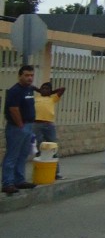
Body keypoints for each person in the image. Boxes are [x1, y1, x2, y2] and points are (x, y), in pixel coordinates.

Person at [4, 65, 37, 195]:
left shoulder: (29, 90)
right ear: (20, 76)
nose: (29, 78)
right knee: (12, 155)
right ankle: (7, 183)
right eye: (27, 75)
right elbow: (13, 109)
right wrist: (20, 125)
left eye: (31, 75)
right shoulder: (15, 90)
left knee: (23, 155)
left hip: (28, 125)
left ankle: (19, 180)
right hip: (17, 127)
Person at [34, 81, 67, 180]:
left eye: (47, 88)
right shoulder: (36, 99)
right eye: (43, 88)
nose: (44, 90)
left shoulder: (53, 98)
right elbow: (31, 87)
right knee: (39, 147)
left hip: (49, 125)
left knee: (52, 147)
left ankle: (56, 173)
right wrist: (38, 90)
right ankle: (40, 170)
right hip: (37, 124)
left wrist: (51, 92)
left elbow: (63, 88)